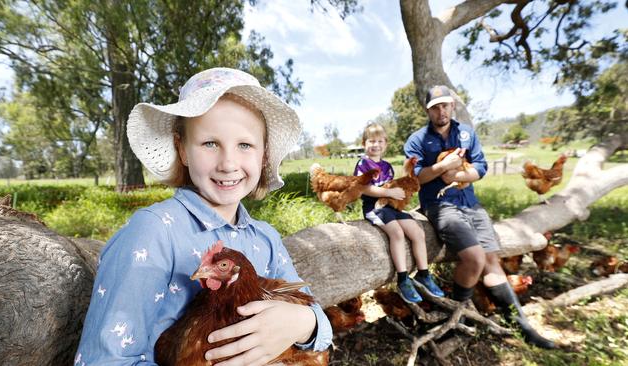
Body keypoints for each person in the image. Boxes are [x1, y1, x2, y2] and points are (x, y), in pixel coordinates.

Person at [74, 68, 332, 364]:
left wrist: (305, 323)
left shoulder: (266, 239)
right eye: (210, 143)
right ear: (182, 150)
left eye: (245, 145)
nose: (228, 163)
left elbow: (319, 324)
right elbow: (105, 359)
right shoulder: (154, 232)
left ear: (263, 156)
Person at [404, 85, 555, 349]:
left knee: (491, 260)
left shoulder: (466, 133)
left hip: (470, 203)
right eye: (435, 107)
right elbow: (414, 177)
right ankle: (458, 314)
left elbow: (481, 167)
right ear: (428, 110)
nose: (441, 111)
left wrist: (460, 176)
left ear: (452, 106)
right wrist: (442, 168)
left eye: (445, 105)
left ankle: (521, 326)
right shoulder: (417, 140)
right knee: (473, 258)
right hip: (441, 205)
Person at [354, 123, 445, 304]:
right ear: (364, 143)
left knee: (417, 231)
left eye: (380, 141)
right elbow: (363, 188)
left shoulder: (387, 166)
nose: (376, 145)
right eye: (371, 141)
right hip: (375, 208)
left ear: (385, 144)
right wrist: (388, 193)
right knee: (397, 232)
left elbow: (395, 187)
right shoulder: (363, 164)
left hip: (391, 207)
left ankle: (424, 274)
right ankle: (403, 279)